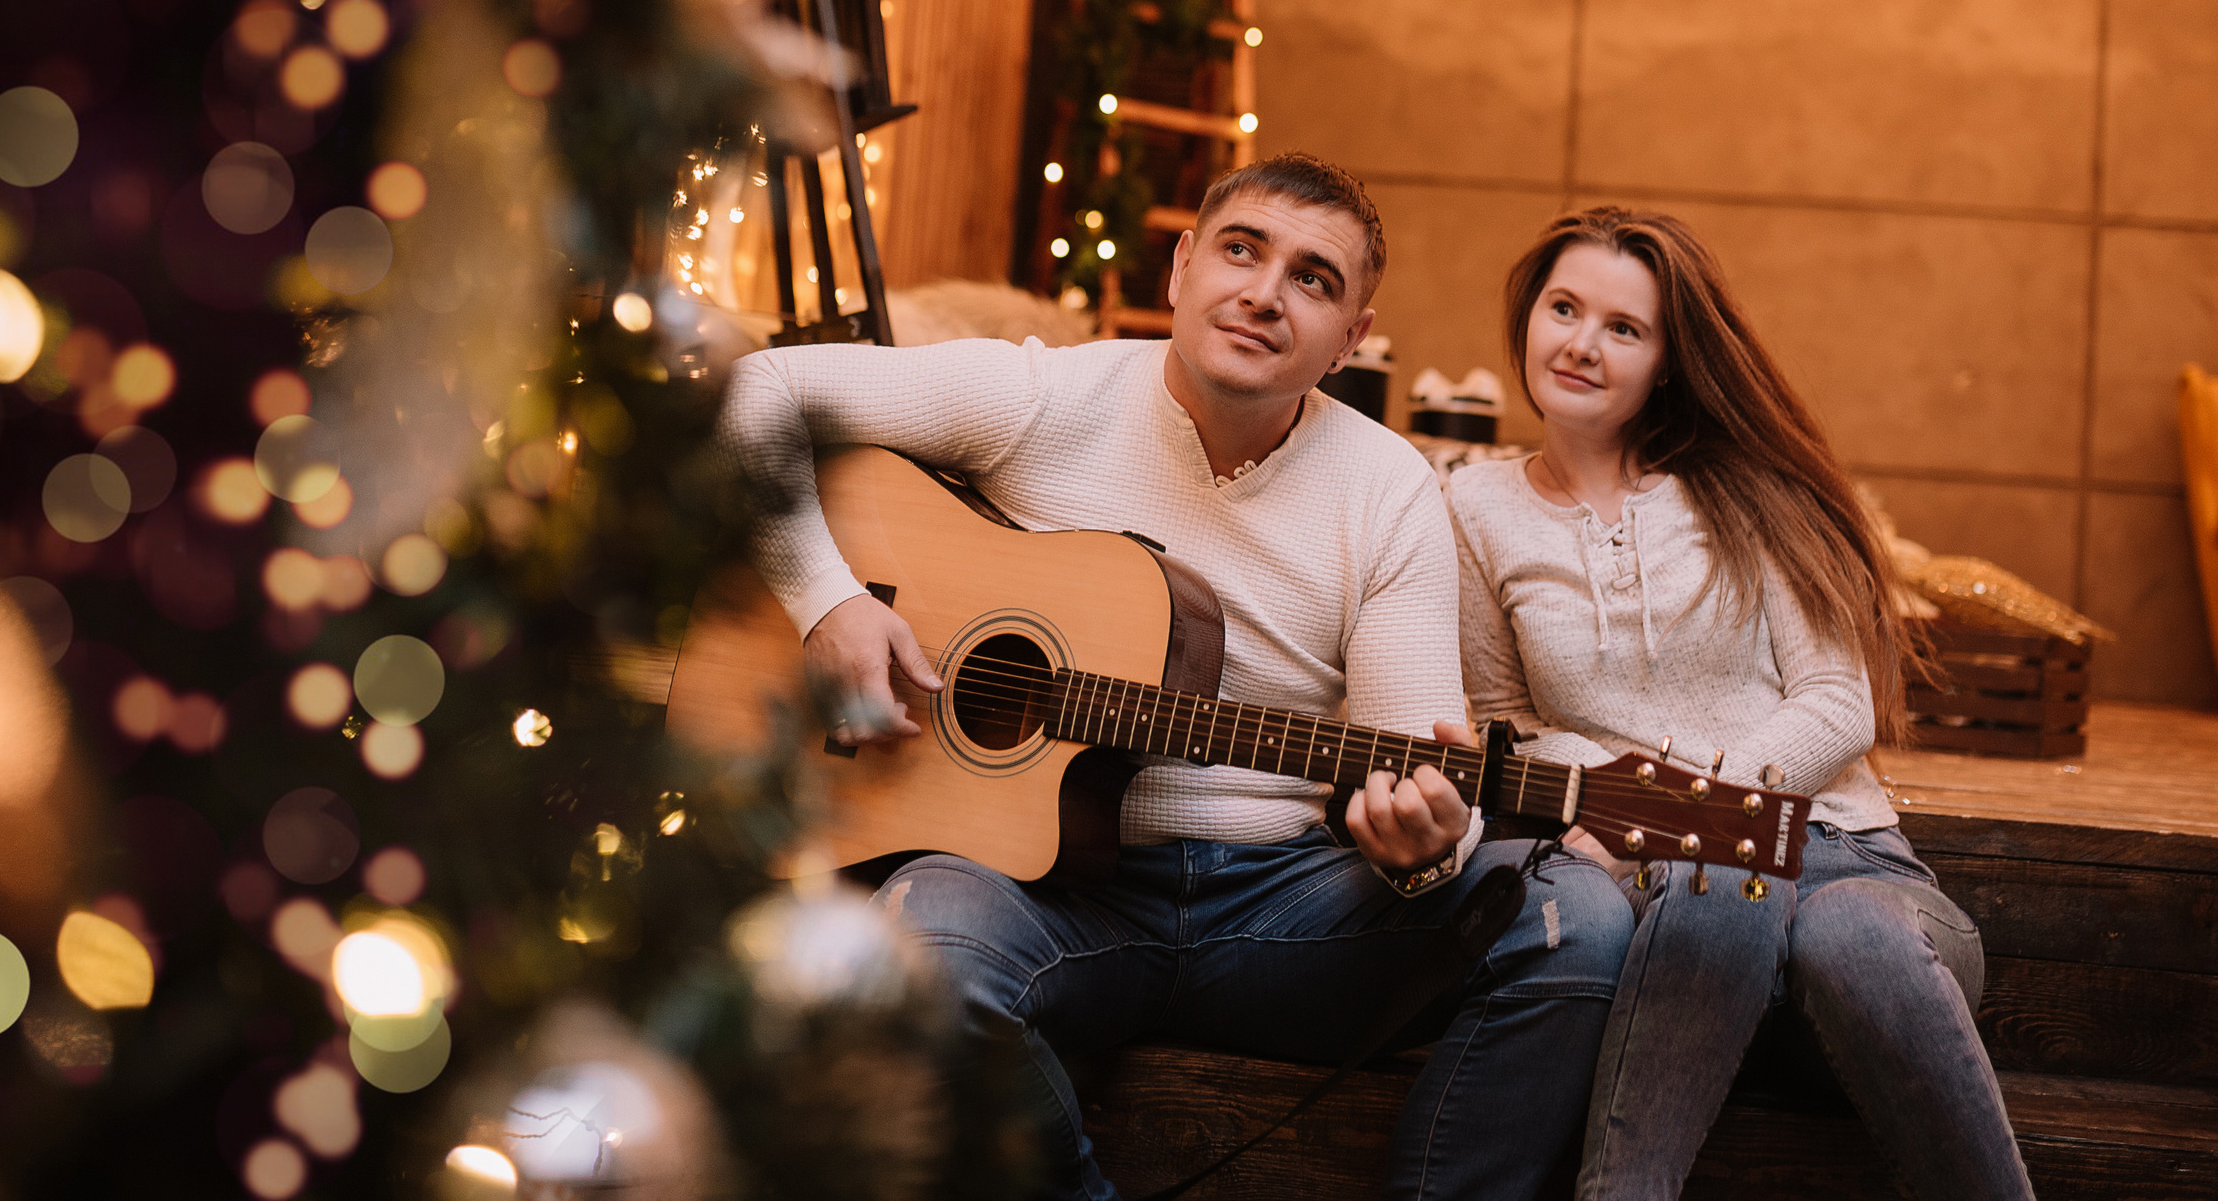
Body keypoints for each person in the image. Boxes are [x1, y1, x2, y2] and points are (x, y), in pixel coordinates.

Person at [718, 153, 1633, 1201]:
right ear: (1182, 266)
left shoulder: (1390, 488)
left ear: (1351, 338)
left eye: (1313, 279)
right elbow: (757, 392)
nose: (1264, 293)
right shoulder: (1043, 394)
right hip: (1041, 892)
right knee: (913, 962)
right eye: (1242, 251)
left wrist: (1423, 852)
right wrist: (828, 602)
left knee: (1574, 920)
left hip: (1280, 907)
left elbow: (1412, 760)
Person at [1446, 206, 2033, 1201]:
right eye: (1563, 309)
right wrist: (1657, 823)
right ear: (1527, 318)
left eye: (1623, 328)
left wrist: (1679, 810)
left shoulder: (1746, 489)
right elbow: (1508, 725)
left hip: (1849, 875)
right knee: (1722, 876)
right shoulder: (1474, 505)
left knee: (1838, 925)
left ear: (1668, 363)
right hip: (1683, 916)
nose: (1581, 344)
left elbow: (1838, 700)